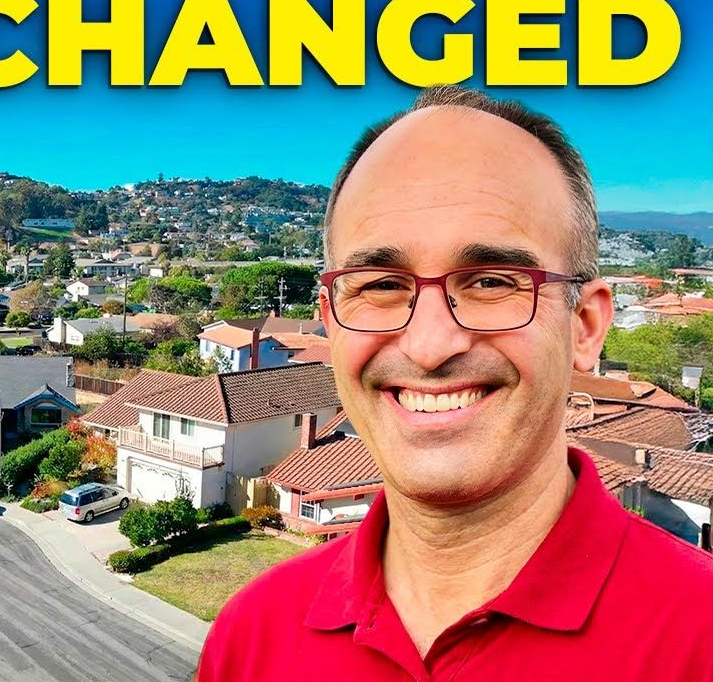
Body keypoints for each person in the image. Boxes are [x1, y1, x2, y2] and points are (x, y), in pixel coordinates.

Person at [197, 86, 713, 681]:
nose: (430, 344)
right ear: (330, 319)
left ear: (585, 325)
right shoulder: (252, 635)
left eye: (492, 281)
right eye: (381, 284)